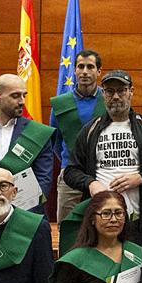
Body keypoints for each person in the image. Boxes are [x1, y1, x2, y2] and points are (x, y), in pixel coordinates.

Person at [62, 70, 142, 241]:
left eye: (121, 90)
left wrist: (141, 178)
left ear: (131, 92)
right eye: (110, 91)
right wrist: (91, 184)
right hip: (100, 221)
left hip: (138, 221)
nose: (116, 96)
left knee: (138, 267)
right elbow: (70, 172)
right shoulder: (90, 130)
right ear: (103, 94)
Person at [0, 72, 61, 220]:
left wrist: (13, 214)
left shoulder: (38, 134)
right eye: (15, 96)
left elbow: (43, 179)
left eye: (24, 95)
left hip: (27, 218)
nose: (21, 101)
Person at [50, 46, 104, 219]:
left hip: (102, 173)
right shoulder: (61, 104)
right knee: (67, 227)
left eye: (90, 67)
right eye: (80, 67)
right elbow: (55, 142)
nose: (85, 72)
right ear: (74, 71)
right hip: (70, 173)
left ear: (99, 71)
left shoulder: (109, 99)